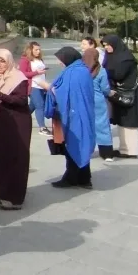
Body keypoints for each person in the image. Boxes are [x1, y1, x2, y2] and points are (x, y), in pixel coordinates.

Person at [0, 48, 31, 210]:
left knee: (15, 158)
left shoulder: (18, 78)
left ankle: (15, 198)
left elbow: (21, 100)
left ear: (9, 61)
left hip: (17, 123)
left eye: (2, 61)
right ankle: (1, 191)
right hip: (0, 121)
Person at [46, 47, 96, 190]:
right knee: (82, 143)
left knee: (73, 144)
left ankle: (71, 178)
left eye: (61, 60)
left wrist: (51, 90)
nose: (60, 63)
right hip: (82, 113)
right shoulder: (81, 70)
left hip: (75, 115)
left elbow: (64, 91)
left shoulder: (74, 72)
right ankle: (84, 178)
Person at [101, 35, 138, 159]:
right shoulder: (112, 57)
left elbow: (118, 74)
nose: (106, 47)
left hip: (129, 94)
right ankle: (124, 149)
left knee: (129, 123)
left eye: (108, 45)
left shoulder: (126, 58)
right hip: (119, 94)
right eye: (104, 45)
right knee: (122, 122)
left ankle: (132, 151)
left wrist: (105, 75)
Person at [83, 48, 114, 161]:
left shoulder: (81, 70)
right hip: (98, 101)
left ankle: (87, 151)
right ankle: (107, 154)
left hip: (84, 101)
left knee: (86, 126)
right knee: (102, 125)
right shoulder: (101, 71)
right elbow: (105, 88)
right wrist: (110, 93)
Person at [19, 42, 50, 136]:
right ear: (30, 50)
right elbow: (22, 73)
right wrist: (36, 72)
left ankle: (19, 121)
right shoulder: (25, 60)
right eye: (36, 49)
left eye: (39, 49)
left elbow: (42, 73)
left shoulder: (40, 59)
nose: (38, 51)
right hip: (32, 86)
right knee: (40, 105)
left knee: (32, 106)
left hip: (41, 86)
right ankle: (42, 128)